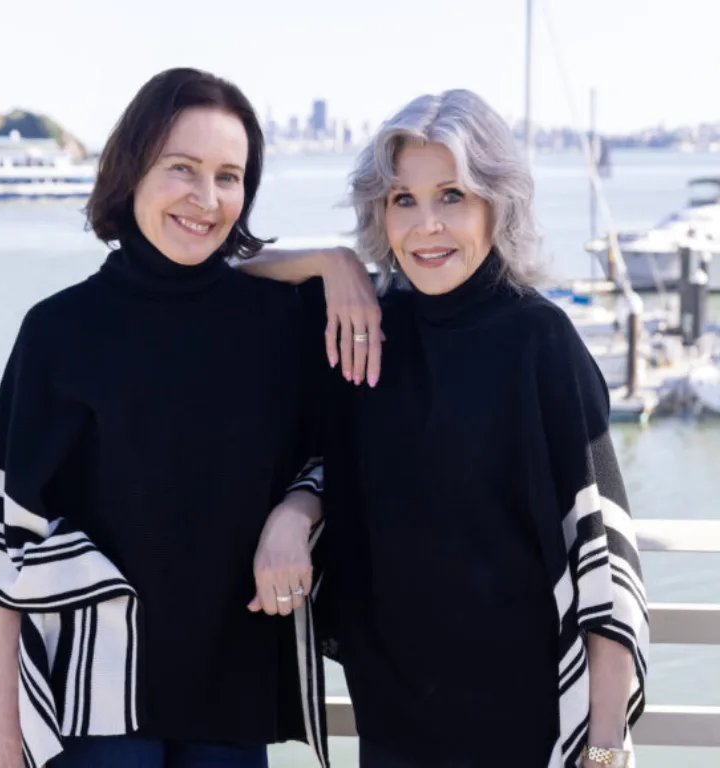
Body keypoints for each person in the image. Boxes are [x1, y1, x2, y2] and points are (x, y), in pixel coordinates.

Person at [246, 89, 649, 768]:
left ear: (498, 201)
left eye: (452, 196)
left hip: (525, 725)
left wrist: (605, 744)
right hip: (394, 719)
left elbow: (601, 549)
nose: (426, 226)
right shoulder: (367, 325)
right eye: (403, 199)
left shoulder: (537, 340)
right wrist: (335, 263)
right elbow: (230, 276)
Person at [0, 67, 335, 768]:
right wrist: (4, 735)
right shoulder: (60, 331)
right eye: (181, 168)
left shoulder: (283, 322)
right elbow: (3, 548)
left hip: (233, 683)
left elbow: (340, 454)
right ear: (131, 171)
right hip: (92, 697)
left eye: (229, 176)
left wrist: (296, 513)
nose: (207, 198)